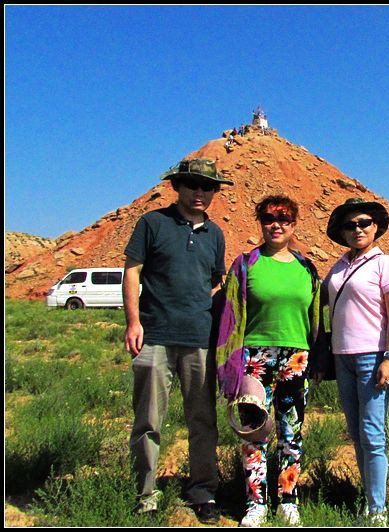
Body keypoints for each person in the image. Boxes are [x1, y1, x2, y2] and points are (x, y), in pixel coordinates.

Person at [124, 158, 234, 523]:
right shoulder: (152, 223)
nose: (200, 193)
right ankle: (145, 493)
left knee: (202, 420)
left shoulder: (215, 234)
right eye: (193, 185)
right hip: (154, 334)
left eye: (207, 187)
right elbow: (132, 272)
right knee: (148, 421)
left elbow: (217, 282)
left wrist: (220, 329)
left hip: (199, 339)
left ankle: (203, 490)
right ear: (177, 187)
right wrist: (133, 322)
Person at [215, 195, 322, 527]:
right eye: (269, 218)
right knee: (253, 432)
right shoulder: (246, 264)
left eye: (285, 219)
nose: (277, 224)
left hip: (296, 359)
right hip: (254, 359)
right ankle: (255, 502)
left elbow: (316, 317)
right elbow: (230, 318)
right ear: (259, 222)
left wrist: (316, 360)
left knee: (291, 431)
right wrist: (228, 366)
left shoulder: (307, 268)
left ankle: (288, 499)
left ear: (294, 224)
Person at [314, 198, 389, 525]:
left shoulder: (385, 264)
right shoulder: (338, 266)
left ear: (376, 226)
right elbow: (318, 301)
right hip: (342, 357)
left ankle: (377, 509)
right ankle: (368, 496)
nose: (358, 229)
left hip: (373, 356)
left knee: (373, 432)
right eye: (350, 225)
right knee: (356, 431)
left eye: (364, 223)